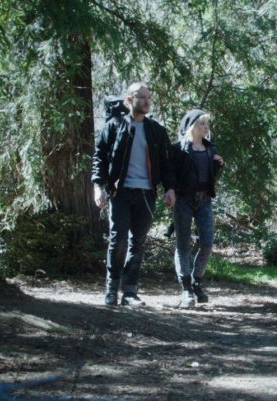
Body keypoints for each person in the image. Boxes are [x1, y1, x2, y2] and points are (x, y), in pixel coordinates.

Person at [91, 83, 175, 306]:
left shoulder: (157, 131)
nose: (147, 101)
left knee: (137, 242)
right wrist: (98, 187)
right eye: (141, 97)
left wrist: (170, 188)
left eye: (149, 98)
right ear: (129, 100)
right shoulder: (114, 126)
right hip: (120, 192)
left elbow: (167, 164)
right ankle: (111, 289)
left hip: (146, 194)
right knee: (118, 240)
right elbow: (99, 157)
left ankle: (130, 291)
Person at [166, 109, 224, 307]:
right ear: (192, 126)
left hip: (204, 201)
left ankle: (196, 280)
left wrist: (218, 166)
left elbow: (211, 178)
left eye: (207, 124)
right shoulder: (178, 149)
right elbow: (171, 174)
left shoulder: (210, 150)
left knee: (207, 243)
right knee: (183, 245)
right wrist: (170, 191)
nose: (206, 128)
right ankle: (186, 288)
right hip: (183, 200)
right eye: (202, 124)